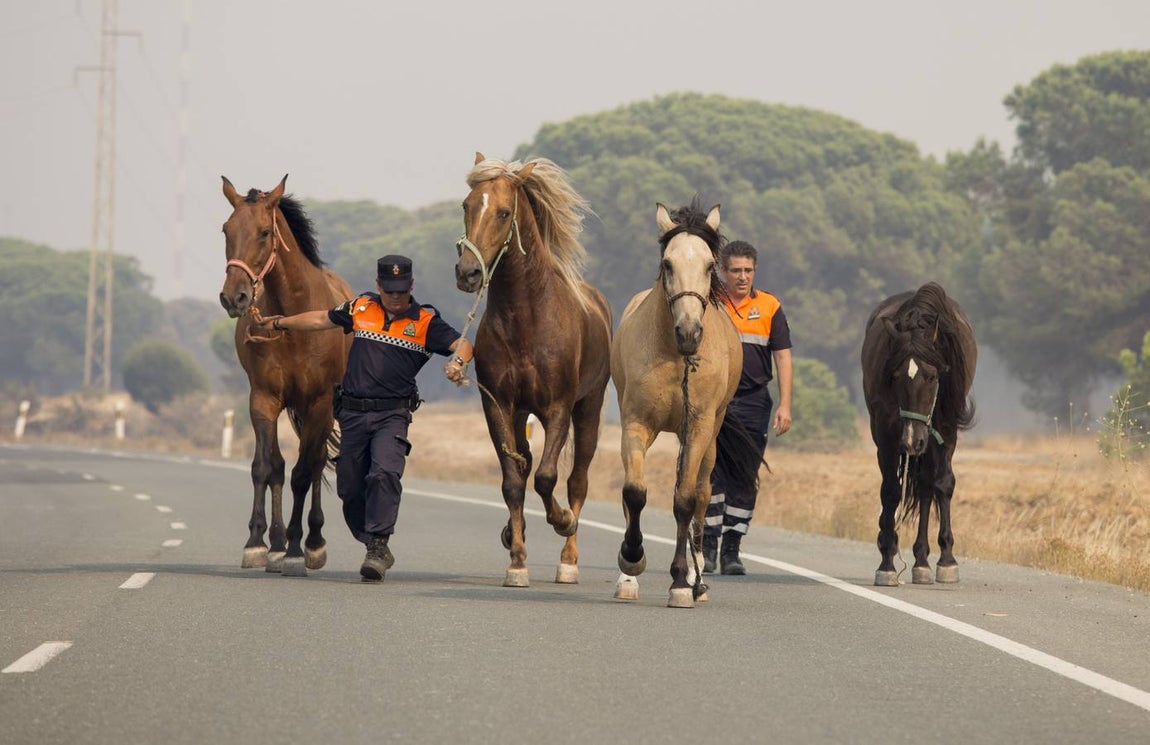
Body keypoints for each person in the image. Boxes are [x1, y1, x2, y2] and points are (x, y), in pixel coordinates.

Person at [255, 255, 474, 583]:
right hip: (353, 415)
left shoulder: (425, 322)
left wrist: (458, 363)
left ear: (411, 286)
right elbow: (320, 319)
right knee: (350, 487)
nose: (396, 297)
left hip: (392, 415)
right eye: (389, 291)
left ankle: (377, 546)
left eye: (401, 291)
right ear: (378, 286)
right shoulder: (360, 308)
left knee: (383, 474)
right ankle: (371, 536)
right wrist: (280, 323)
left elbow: (464, 344)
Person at [703, 240, 793, 575]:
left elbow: (782, 356)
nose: (743, 277)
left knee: (744, 476)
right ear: (722, 272)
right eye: (736, 270)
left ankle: (732, 551)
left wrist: (785, 404)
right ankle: (708, 546)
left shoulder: (770, 306)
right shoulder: (710, 302)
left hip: (755, 401)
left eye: (748, 270)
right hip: (715, 400)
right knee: (713, 473)